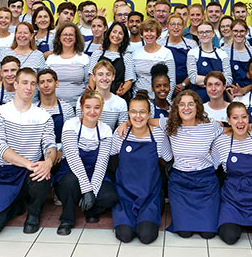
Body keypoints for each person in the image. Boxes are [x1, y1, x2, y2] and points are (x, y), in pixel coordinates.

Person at [0, 68, 58, 236]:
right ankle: (16, 205)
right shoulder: (0, 113)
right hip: (5, 173)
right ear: (15, 85)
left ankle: (33, 213)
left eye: (32, 83)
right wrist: (29, 163)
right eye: (24, 83)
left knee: (43, 175)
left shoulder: (43, 116)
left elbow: (50, 145)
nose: (28, 87)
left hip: (30, 174)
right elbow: (0, 148)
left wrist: (48, 162)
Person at [112, 91, 172, 244]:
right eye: (133, 111)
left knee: (146, 236)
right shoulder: (121, 134)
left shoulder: (158, 135)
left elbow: (168, 158)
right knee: (125, 235)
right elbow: (109, 159)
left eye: (142, 112)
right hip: (125, 195)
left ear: (149, 114)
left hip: (149, 195)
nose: (138, 116)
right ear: (128, 114)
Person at [55, 91, 118, 235]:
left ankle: (91, 209)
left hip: (95, 172)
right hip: (72, 171)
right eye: (88, 107)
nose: (92, 111)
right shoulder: (71, 125)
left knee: (111, 197)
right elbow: (73, 158)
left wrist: (93, 192)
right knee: (70, 184)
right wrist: (87, 190)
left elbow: (102, 163)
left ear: (101, 109)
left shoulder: (105, 130)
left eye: (97, 107)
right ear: (81, 108)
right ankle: (67, 219)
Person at [164, 90, 224, 238]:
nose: (186, 108)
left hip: (206, 182)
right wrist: (125, 123)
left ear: (197, 106)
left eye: (191, 104)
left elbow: (231, 130)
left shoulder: (210, 127)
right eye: (182, 104)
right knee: (184, 233)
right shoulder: (170, 125)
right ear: (176, 108)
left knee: (208, 233)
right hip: (180, 183)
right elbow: (147, 120)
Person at [213, 102, 252, 246]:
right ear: (228, 120)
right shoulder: (221, 142)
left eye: (244, 117)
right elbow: (212, 166)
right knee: (229, 236)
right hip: (232, 199)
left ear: (249, 119)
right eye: (235, 118)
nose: (240, 122)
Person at [46, 22, 90, 107]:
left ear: (76, 38)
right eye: (65, 34)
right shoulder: (51, 59)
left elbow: (88, 84)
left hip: (78, 106)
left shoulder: (84, 58)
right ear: (59, 37)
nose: (68, 37)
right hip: (54, 105)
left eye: (71, 35)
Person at [88, 21, 135, 100]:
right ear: (109, 33)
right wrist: (93, 94)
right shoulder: (97, 54)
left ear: (124, 37)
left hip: (119, 99)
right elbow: (91, 78)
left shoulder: (126, 56)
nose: (116, 35)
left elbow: (129, 81)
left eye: (120, 33)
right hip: (98, 98)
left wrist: (121, 92)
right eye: (114, 32)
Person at [187, 22, 232, 102]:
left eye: (207, 32)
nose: (204, 35)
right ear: (197, 35)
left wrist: (202, 80)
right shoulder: (192, 53)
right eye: (201, 32)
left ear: (213, 34)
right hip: (198, 97)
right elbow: (193, 78)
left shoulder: (222, 53)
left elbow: (228, 80)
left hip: (219, 98)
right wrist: (218, 82)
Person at [133, 19, 176, 101]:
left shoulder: (166, 53)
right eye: (146, 31)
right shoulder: (136, 53)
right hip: (139, 98)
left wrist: (165, 101)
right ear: (142, 34)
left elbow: (172, 80)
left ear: (157, 34)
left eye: (152, 31)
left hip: (160, 99)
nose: (149, 34)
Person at [36, 68, 73, 144]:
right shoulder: (33, 109)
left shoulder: (67, 108)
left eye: (49, 81)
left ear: (56, 83)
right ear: (38, 86)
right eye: (42, 82)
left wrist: (61, 151)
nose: (46, 85)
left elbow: (71, 137)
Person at [162, 14, 197, 94]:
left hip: (187, 88)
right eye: (173, 24)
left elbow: (195, 67)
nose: (176, 27)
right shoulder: (160, 43)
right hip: (164, 88)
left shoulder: (191, 44)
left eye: (179, 24)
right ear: (167, 26)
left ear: (184, 26)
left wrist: (183, 84)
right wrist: (168, 86)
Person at [88, 60, 128, 129]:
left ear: (113, 77)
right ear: (94, 77)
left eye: (108, 74)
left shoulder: (121, 103)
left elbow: (122, 130)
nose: (104, 78)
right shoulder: (84, 100)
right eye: (100, 74)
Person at [222, 19, 252, 88]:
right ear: (231, 31)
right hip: (231, 90)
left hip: (250, 89)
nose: (238, 34)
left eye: (242, 31)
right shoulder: (224, 51)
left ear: (246, 32)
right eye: (235, 31)